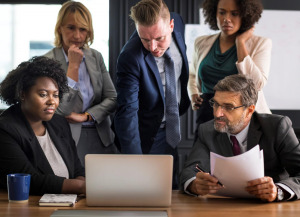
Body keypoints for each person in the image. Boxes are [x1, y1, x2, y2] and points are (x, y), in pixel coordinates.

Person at [180, 74, 300, 202]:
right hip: (224, 207)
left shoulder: (277, 127)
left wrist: (278, 191)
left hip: (270, 207)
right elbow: (189, 171)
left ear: (249, 110)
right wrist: (194, 184)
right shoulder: (207, 130)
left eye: (228, 107)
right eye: (215, 104)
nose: (217, 113)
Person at [114, 0, 190, 189]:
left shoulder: (178, 22)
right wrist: (135, 162)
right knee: (144, 191)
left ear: (171, 25)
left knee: (170, 188)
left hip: (172, 127)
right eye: (145, 39)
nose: (153, 47)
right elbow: (127, 111)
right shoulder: (130, 57)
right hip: (146, 135)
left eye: (159, 38)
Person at [44, 1, 118, 167]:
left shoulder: (96, 57)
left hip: (102, 136)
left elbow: (112, 98)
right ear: (60, 28)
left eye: (83, 29)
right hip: (67, 138)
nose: (77, 36)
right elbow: (61, 110)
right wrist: (73, 67)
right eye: (71, 27)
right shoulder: (47, 61)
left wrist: (86, 116)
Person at [0, 56, 85, 195]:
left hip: (69, 204)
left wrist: (82, 189)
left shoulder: (59, 123)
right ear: (22, 95)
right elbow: (30, 181)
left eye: (56, 95)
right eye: (43, 94)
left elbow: (77, 169)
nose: (52, 101)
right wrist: (80, 187)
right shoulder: (6, 129)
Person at [188, 0, 272, 140]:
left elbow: (256, 84)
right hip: (207, 113)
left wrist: (240, 43)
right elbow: (192, 74)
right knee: (202, 159)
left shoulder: (261, 43)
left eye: (234, 14)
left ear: (245, 15)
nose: (227, 18)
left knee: (237, 159)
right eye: (222, 12)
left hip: (240, 116)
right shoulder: (201, 42)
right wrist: (193, 93)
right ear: (214, 13)